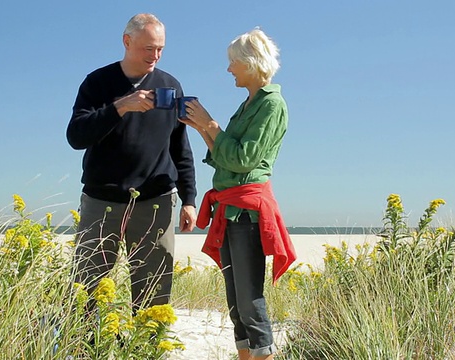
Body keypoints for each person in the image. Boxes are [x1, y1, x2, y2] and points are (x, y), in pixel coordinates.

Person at [66, 13, 197, 314]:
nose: (155, 55)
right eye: (148, 48)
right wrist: (120, 107)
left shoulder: (170, 85)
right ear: (127, 41)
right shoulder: (98, 82)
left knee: (153, 292)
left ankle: (148, 350)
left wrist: (189, 199)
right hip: (103, 201)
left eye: (160, 49)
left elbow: (180, 147)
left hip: (156, 201)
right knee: (87, 289)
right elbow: (76, 136)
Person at [179, 28, 296, 360]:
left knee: (250, 303)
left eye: (233, 63)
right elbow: (224, 156)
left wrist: (211, 125)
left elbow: (243, 160)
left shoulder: (272, 104)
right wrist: (203, 127)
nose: (229, 69)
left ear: (250, 63)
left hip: (247, 211)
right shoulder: (249, 104)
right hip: (230, 210)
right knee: (236, 306)